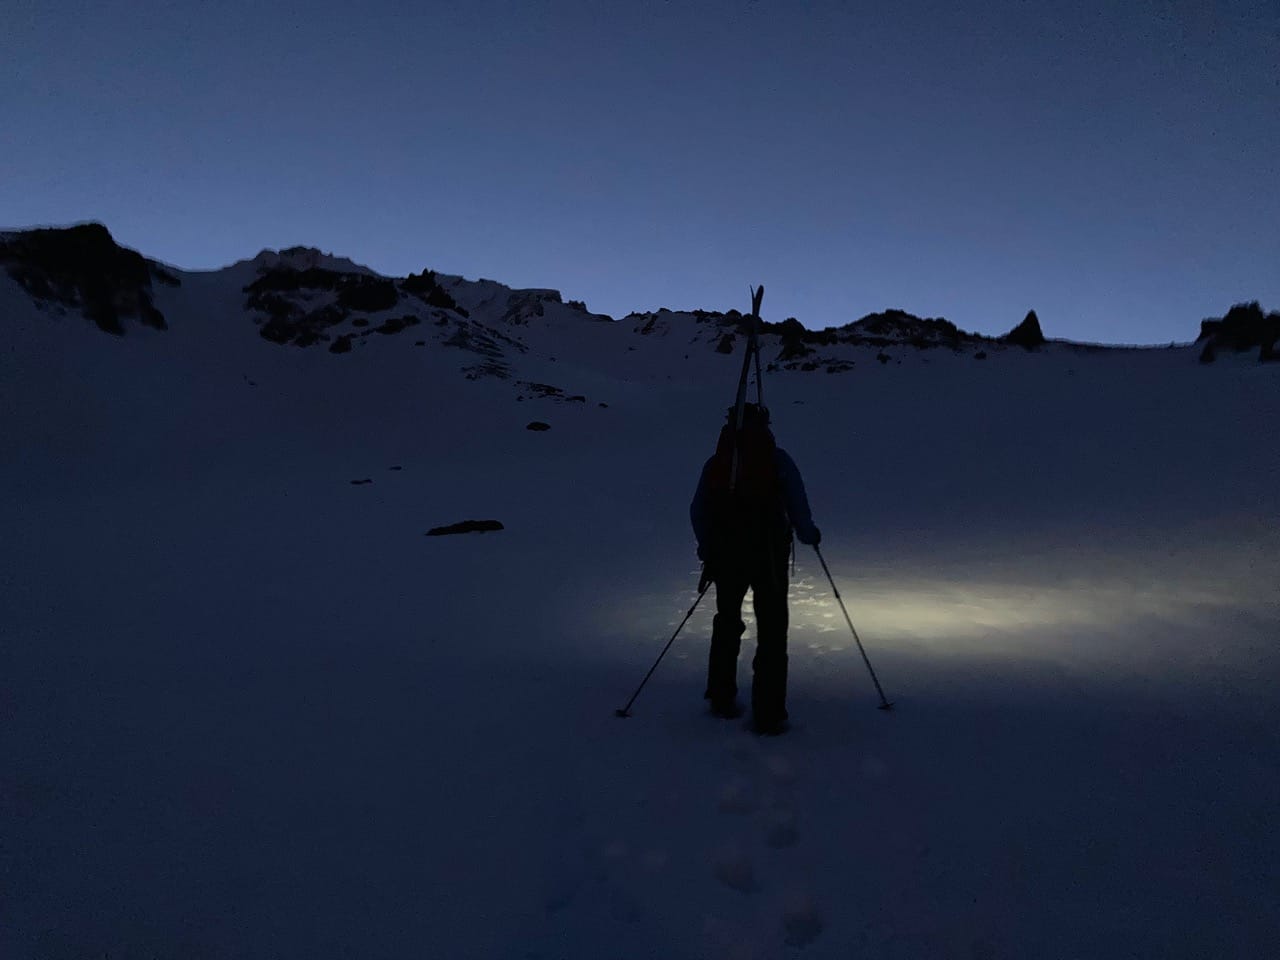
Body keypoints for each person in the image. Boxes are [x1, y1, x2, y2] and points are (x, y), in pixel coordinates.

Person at [689, 403, 820, 735]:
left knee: (727, 622)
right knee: (773, 632)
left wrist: (708, 547)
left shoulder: (718, 462)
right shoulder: (777, 459)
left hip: (727, 557)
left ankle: (721, 697)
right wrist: (808, 534)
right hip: (770, 557)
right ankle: (769, 712)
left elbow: (698, 509)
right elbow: (797, 501)